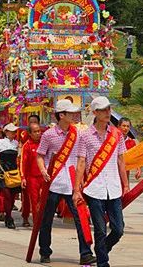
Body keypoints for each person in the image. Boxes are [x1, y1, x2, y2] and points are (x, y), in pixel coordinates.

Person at [37, 99, 95, 265]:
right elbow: (40, 155)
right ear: (61, 115)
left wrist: (83, 177)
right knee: (46, 219)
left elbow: (81, 158)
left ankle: (85, 253)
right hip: (53, 182)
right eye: (70, 113)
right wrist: (43, 171)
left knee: (80, 218)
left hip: (72, 183)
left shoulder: (78, 133)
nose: (74, 115)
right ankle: (45, 251)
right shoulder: (48, 135)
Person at [74, 96, 128, 267]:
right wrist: (76, 189)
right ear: (95, 112)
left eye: (109, 109)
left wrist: (126, 184)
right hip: (94, 188)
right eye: (103, 110)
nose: (107, 113)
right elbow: (81, 162)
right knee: (99, 228)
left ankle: (102, 248)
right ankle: (103, 263)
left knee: (118, 229)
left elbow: (121, 160)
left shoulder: (117, 134)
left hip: (113, 188)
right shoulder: (85, 136)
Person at [20, 122, 44, 227]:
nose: (38, 133)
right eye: (35, 132)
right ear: (30, 133)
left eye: (39, 131)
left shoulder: (44, 143)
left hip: (43, 177)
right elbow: (23, 163)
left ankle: (42, 221)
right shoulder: (27, 145)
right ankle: (36, 222)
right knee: (34, 201)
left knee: (43, 201)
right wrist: (23, 178)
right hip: (32, 178)